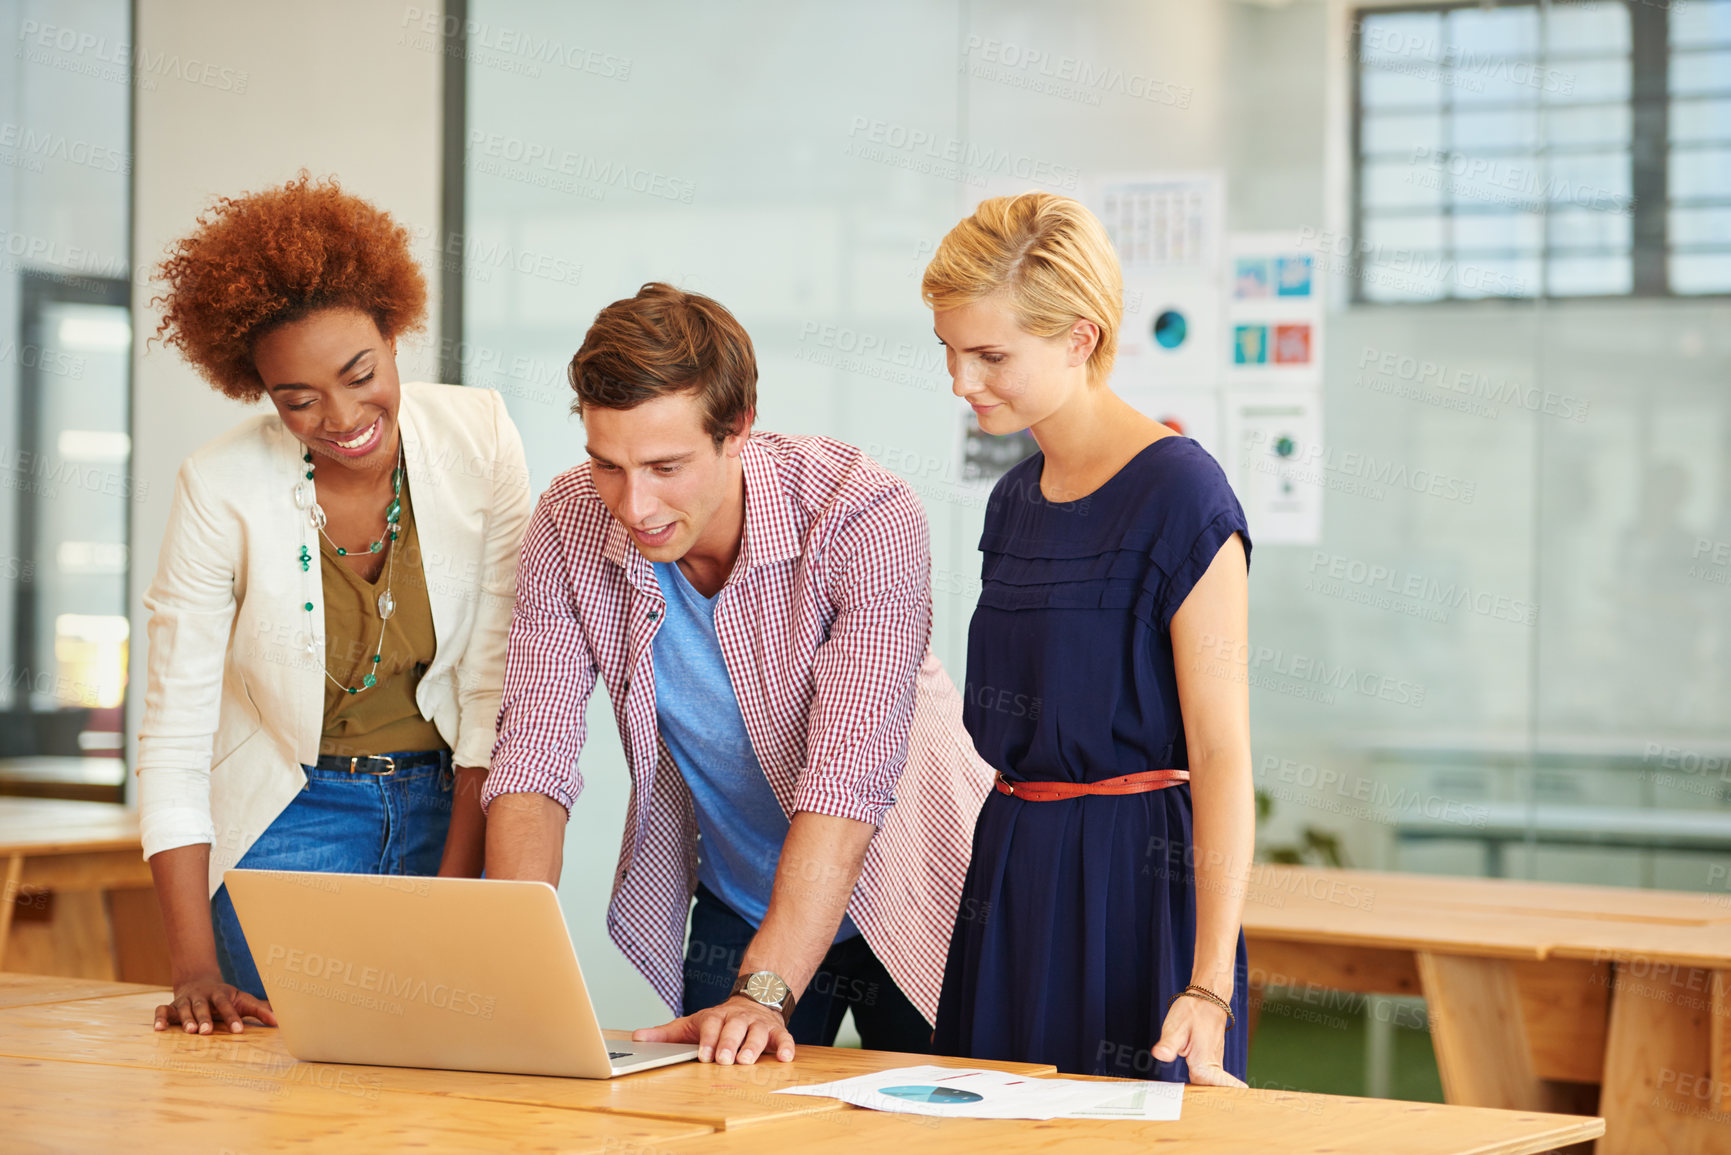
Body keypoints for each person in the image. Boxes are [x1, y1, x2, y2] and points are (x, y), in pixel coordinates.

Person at [482, 282, 992, 1066]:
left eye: (665, 466)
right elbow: (533, 757)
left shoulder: (863, 513)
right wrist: (517, 961)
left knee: (943, 1127)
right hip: (739, 892)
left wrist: (764, 990)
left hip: (915, 885)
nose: (634, 503)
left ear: (739, 428)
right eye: (607, 465)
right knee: (716, 1120)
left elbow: (845, 777)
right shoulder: (568, 521)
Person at [137, 173, 532, 1035]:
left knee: (442, 1095)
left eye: (360, 373)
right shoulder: (219, 484)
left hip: (446, 806)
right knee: (289, 1103)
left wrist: (458, 895)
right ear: (260, 389)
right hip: (290, 823)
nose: (343, 416)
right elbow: (174, 732)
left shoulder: (481, 436)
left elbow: (492, 692)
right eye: (297, 399)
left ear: (394, 333)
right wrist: (193, 963)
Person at [924, 192, 1255, 1084]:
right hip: (1010, 873)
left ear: (1079, 336)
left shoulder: (1182, 494)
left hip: (1138, 886)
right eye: (950, 352)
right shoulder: (1013, 500)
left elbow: (1222, 754)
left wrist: (1209, 987)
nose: (962, 380)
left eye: (990, 355)